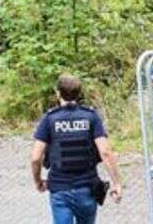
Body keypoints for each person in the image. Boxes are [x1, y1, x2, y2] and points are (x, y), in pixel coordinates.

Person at [30, 75, 123, 224]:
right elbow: (105, 152)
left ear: (58, 93)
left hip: (60, 189)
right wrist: (117, 183)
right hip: (87, 188)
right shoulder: (91, 117)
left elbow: (35, 157)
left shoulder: (49, 119)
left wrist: (38, 181)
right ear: (79, 93)